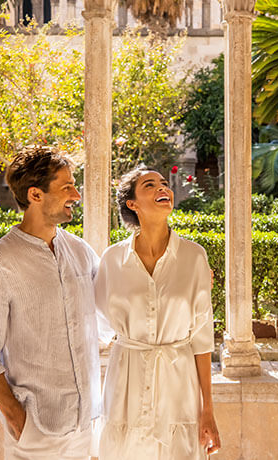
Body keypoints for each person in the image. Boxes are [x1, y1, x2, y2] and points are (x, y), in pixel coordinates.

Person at [0, 145, 110, 460]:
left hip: (88, 429)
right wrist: (18, 418)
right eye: (66, 186)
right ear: (35, 195)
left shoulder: (81, 252)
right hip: (36, 432)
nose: (76, 195)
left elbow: (111, 315)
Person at [94, 164, 221, 459]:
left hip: (180, 389)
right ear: (132, 204)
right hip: (125, 385)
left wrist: (208, 409)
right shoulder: (112, 260)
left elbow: (201, 338)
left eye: (164, 183)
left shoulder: (194, 257)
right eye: (150, 185)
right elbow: (99, 323)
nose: (163, 188)